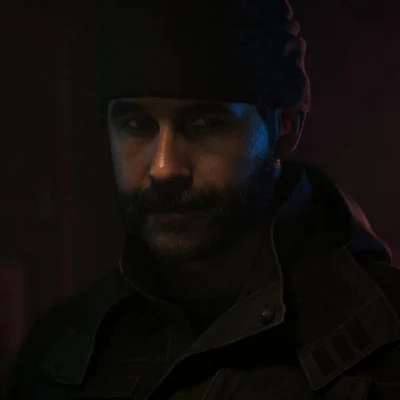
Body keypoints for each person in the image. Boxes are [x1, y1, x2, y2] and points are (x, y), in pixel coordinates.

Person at [6, 0, 400, 399]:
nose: (164, 168)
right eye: (136, 124)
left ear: (284, 127)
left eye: (205, 123)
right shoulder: (58, 349)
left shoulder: (385, 345)